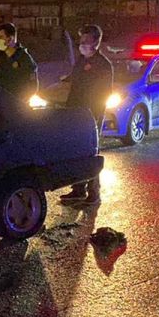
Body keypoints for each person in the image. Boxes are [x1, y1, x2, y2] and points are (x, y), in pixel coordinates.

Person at [59, 24, 114, 205]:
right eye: (81, 40)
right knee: (77, 152)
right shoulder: (81, 62)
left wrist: (92, 116)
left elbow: (102, 94)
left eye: (86, 40)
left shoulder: (103, 65)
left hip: (91, 116)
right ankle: (78, 189)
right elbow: (75, 86)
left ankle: (93, 192)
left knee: (91, 154)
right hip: (76, 114)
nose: (82, 44)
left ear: (96, 42)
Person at [0, 22, 39, 99]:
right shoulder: (0, 57)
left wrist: (20, 102)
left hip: (16, 104)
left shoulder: (24, 59)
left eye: (1, 37)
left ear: (10, 39)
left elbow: (32, 87)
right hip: (0, 102)